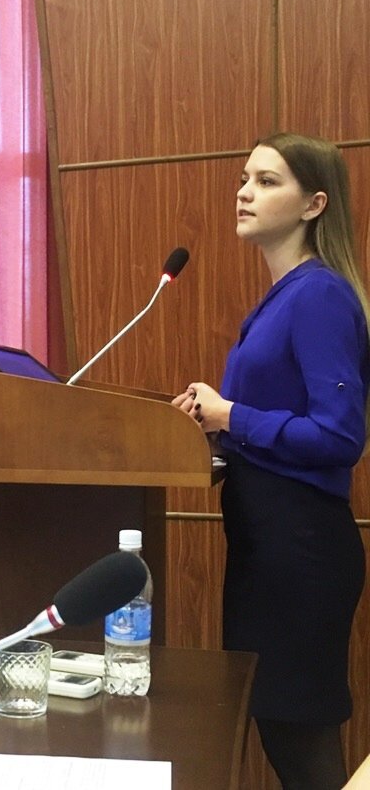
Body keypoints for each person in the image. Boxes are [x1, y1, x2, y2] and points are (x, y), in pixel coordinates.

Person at [172, 132, 370, 790]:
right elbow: (273, 426)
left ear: (314, 204)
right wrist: (211, 430)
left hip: (300, 549)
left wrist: (230, 414)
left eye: (266, 181)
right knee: (283, 734)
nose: (244, 193)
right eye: (244, 179)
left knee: (300, 745)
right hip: (268, 546)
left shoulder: (319, 295)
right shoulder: (283, 296)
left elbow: (339, 437)